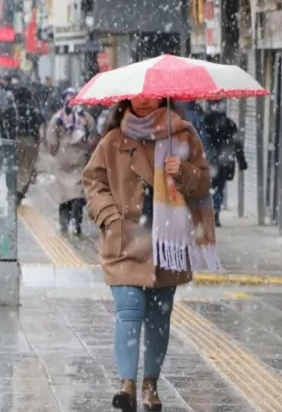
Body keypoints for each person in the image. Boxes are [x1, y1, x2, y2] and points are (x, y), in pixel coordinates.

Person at [82, 97, 218, 412]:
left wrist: (182, 170)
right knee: (129, 310)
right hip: (125, 240)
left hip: (167, 242)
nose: (144, 99)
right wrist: (109, 217)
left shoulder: (183, 135)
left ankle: (150, 386)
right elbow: (93, 182)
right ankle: (126, 385)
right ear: (128, 98)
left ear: (162, 96)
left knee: (158, 318)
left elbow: (203, 183)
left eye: (151, 94)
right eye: (138, 93)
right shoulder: (114, 139)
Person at [47, 88, 96, 234]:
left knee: (64, 191)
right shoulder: (85, 116)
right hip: (80, 156)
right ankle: (76, 217)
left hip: (63, 157)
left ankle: (64, 221)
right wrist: (87, 149)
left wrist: (54, 150)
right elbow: (93, 136)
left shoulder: (58, 117)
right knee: (78, 189)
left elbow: (51, 139)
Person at [200, 100, 247, 226]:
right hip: (224, 162)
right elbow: (237, 144)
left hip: (210, 162)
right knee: (219, 188)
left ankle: (210, 211)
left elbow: (203, 142)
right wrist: (241, 161)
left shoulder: (205, 122)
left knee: (209, 187)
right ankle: (215, 210)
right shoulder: (229, 124)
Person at [12, 80, 46, 201]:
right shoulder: (32, 110)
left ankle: (16, 189)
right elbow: (41, 122)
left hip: (14, 141)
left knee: (16, 166)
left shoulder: (12, 110)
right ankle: (21, 191)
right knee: (27, 167)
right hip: (30, 141)